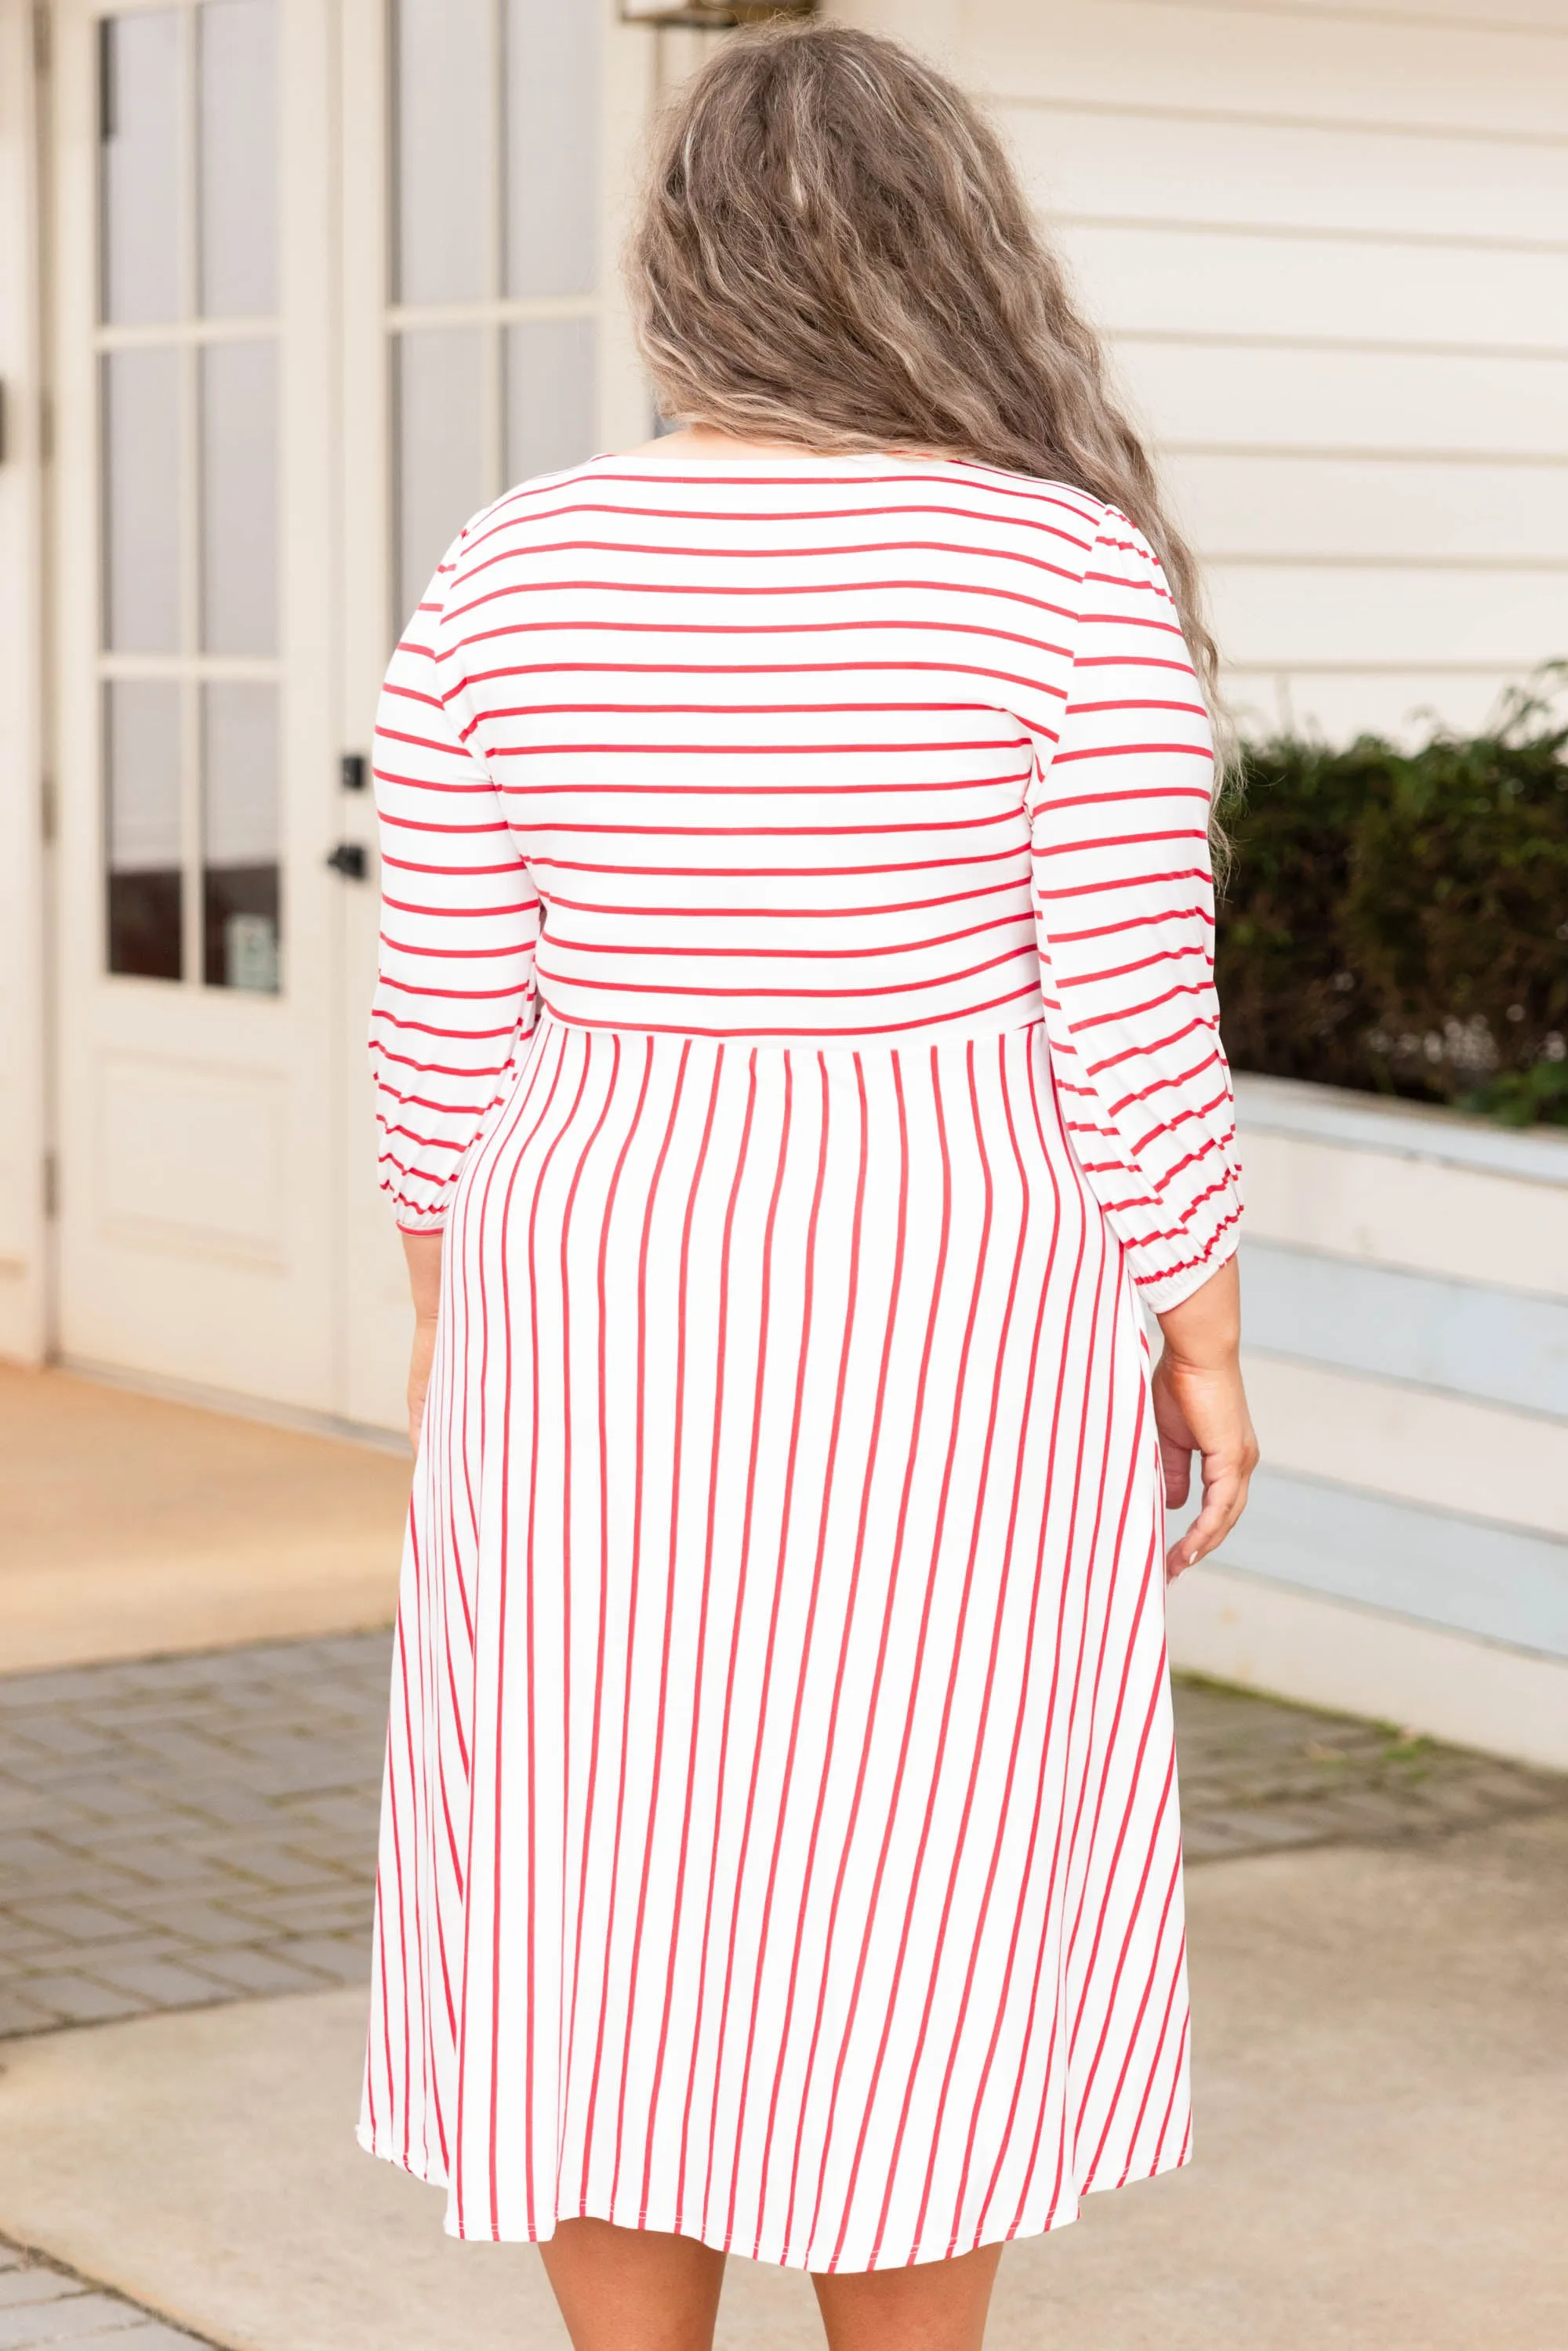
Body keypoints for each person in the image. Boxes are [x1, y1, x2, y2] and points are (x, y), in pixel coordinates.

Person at [358, 21, 1257, 2350]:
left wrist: (468, 1316)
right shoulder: (1064, 573)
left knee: (601, 1846)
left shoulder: (514, 566)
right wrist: (1203, 1330)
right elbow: (1133, 1007)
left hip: (596, 1247)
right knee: (910, 1858)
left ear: (687, 267)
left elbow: (440, 1018)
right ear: (956, 258)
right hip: (942, 1260)